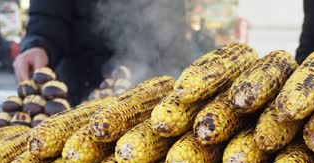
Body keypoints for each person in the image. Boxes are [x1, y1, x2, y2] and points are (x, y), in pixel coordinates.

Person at [13, 0, 201, 106]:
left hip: (152, 88)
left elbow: (170, 23)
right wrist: (37, 45)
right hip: (82, 88)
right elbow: (48, 16)